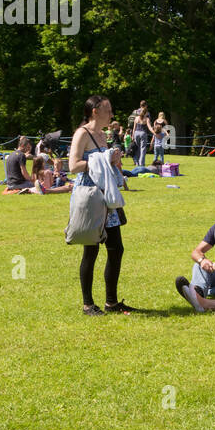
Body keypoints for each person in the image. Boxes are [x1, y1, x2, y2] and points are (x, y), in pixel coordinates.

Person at [69, 95, 131, 315]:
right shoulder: (82, 134)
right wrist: (102, 159)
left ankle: (111, 303)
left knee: (116, 249)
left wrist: (114, 160)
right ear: (95, 111)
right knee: (91, 250)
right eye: (108, 110)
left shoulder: (103, 135)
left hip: (107, 196)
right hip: (90, 195)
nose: (111, 114)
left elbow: (105, 163)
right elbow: (73, 165)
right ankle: (88, 304)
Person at [130, 101, 152, 166]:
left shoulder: (136, 112)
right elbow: (149, 125)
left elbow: (134, 127)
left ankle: (137, 162)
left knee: (137, 148)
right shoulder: (147, 114)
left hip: (136, 132)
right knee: (143, 148)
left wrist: (132, 135)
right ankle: (141, 163)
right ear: (146, 105)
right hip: (143, 132)